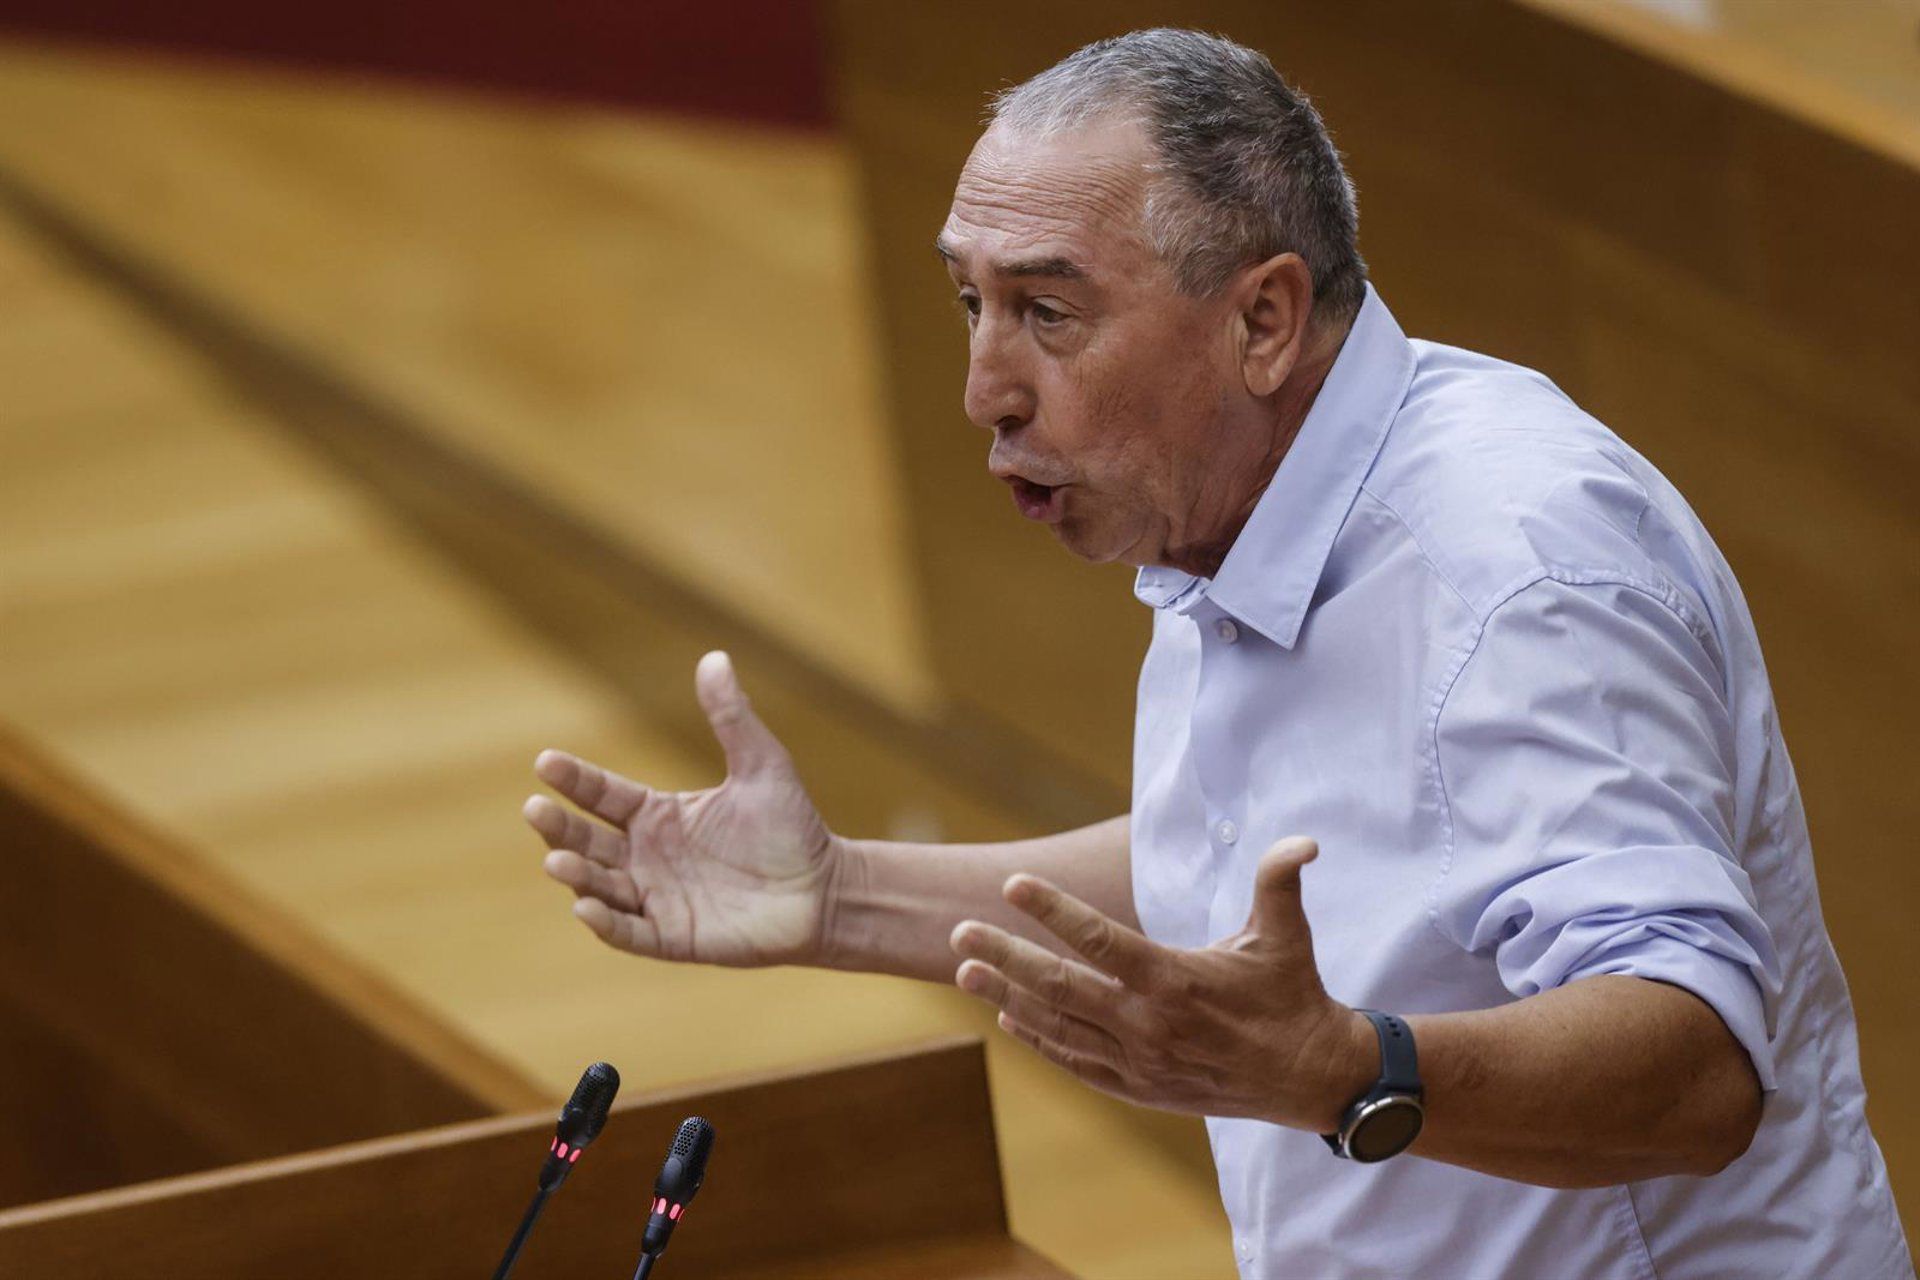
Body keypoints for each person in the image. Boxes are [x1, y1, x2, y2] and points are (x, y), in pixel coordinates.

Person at [523, 28, 1912, 1279]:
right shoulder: (1240, 507)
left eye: (1048, 314)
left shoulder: (1516, 577)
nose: (985, 389)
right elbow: (1237, 856)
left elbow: (1699, 1068)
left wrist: (1345, 1071)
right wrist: (841, 896)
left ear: (1262, 321)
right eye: (970, 304)